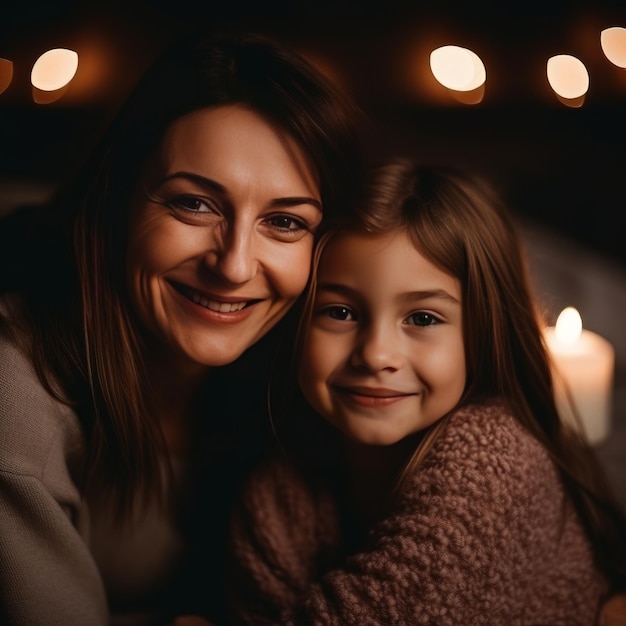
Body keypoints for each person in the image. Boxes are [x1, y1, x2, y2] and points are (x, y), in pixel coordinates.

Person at [0, 27, 366, 626]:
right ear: (116, 200)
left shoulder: (314, 367)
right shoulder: (14, 399)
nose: (234, 265)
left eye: (285, 222)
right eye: (194, 204)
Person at [226, 159, 626, 625]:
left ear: (482, 335)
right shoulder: (281, 488)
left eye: (422, 319)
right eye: (339, 312)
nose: (375, 355)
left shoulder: (499, 463)